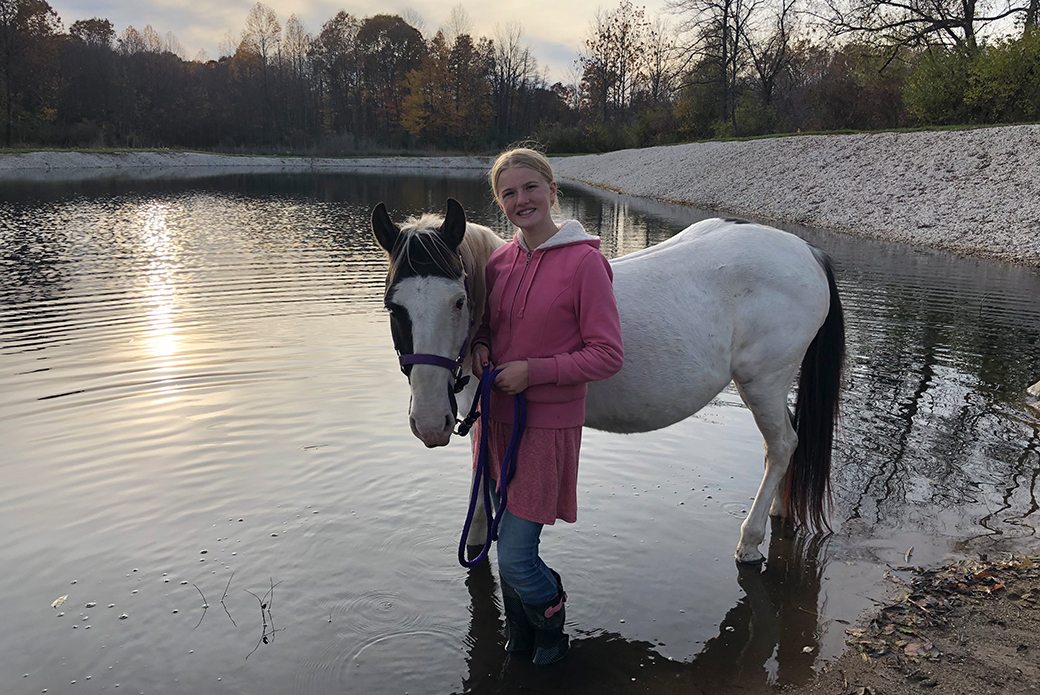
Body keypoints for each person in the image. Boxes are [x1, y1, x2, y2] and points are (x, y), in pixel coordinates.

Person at [471, 147, 624, 665]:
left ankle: (552, 621)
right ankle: (521, 638)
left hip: (544, 429)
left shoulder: (586, 263)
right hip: (493, 426)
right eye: (508, 193)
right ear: (500, 203)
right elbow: (489, 329)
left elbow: (607, 355)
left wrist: (535, 370)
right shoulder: (498, 263)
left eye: (530, 187)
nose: (521, 200)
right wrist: (481, 348)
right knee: (503, 546)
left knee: (514, 556)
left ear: (552, 190)